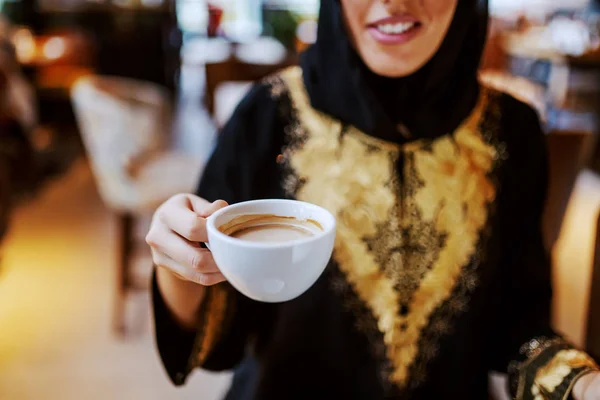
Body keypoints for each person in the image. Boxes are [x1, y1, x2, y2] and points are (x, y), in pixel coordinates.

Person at [146, 1, 600, 398]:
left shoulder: (511, 130)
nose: (393, 1)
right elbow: (218, 340)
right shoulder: (268, 114)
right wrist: (178, 260)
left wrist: (582, 383)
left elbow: (518, 329)